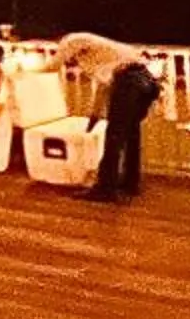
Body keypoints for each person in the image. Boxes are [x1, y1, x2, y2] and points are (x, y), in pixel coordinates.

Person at [56, 31, 162, 200]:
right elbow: (103, 89)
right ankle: (130, 183)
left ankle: (105, 189)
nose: (73, 67)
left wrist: (23, 70)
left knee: (114, 136)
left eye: (71, 64)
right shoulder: (102, 55)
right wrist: (94, 116)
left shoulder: (69, 42)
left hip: (130, 82)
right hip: (146, 81)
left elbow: (52, 65)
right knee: (131, 133)